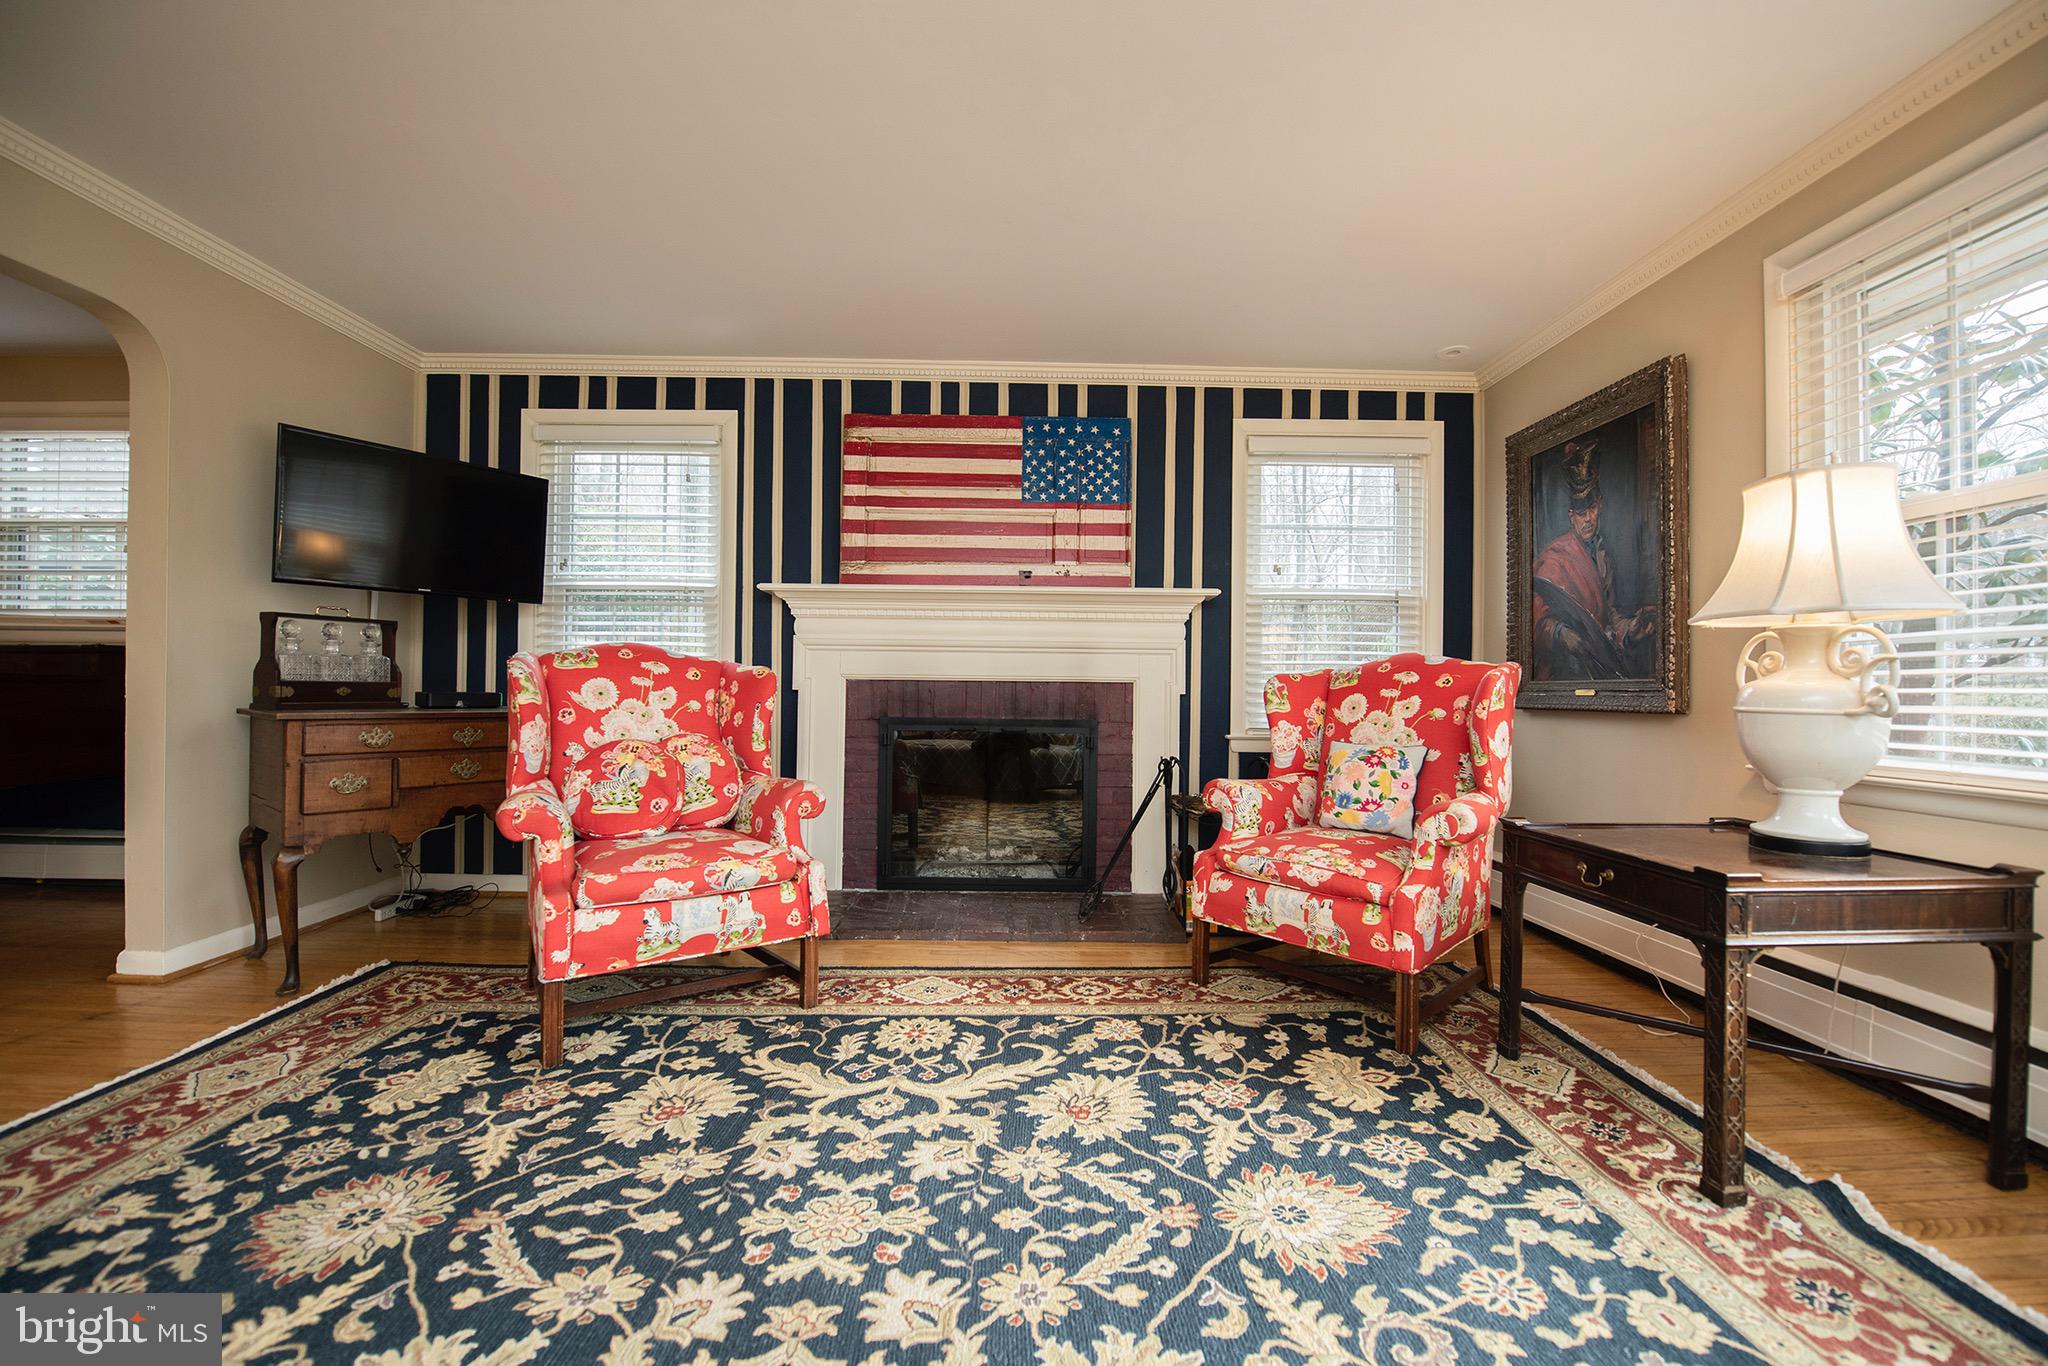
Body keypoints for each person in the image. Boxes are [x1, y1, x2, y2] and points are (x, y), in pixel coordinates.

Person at [1530, 440, 1656, 679]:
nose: (1587, 519)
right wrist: (1560, 633)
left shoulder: (1602, 556)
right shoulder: (1554, 558)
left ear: (1600, 506)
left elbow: (1607, 620)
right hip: (1564, 672)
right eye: (1580, 513)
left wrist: (1630, 630)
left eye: (1591, 510)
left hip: (1596, 667)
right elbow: (1534, 618)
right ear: (1571, 516)